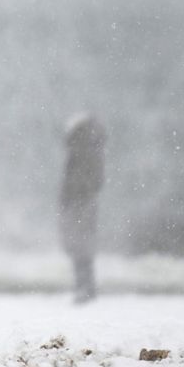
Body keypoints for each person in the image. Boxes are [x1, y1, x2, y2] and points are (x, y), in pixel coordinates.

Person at [59, 113, 106, 304]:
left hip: (80, 203)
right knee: (79, 245)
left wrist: (78, 194)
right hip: (79, 202)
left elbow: (93, 181)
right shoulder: (89, 153)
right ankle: (85, 287)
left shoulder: (85, 154)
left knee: (81, 246)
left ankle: (85, 288)